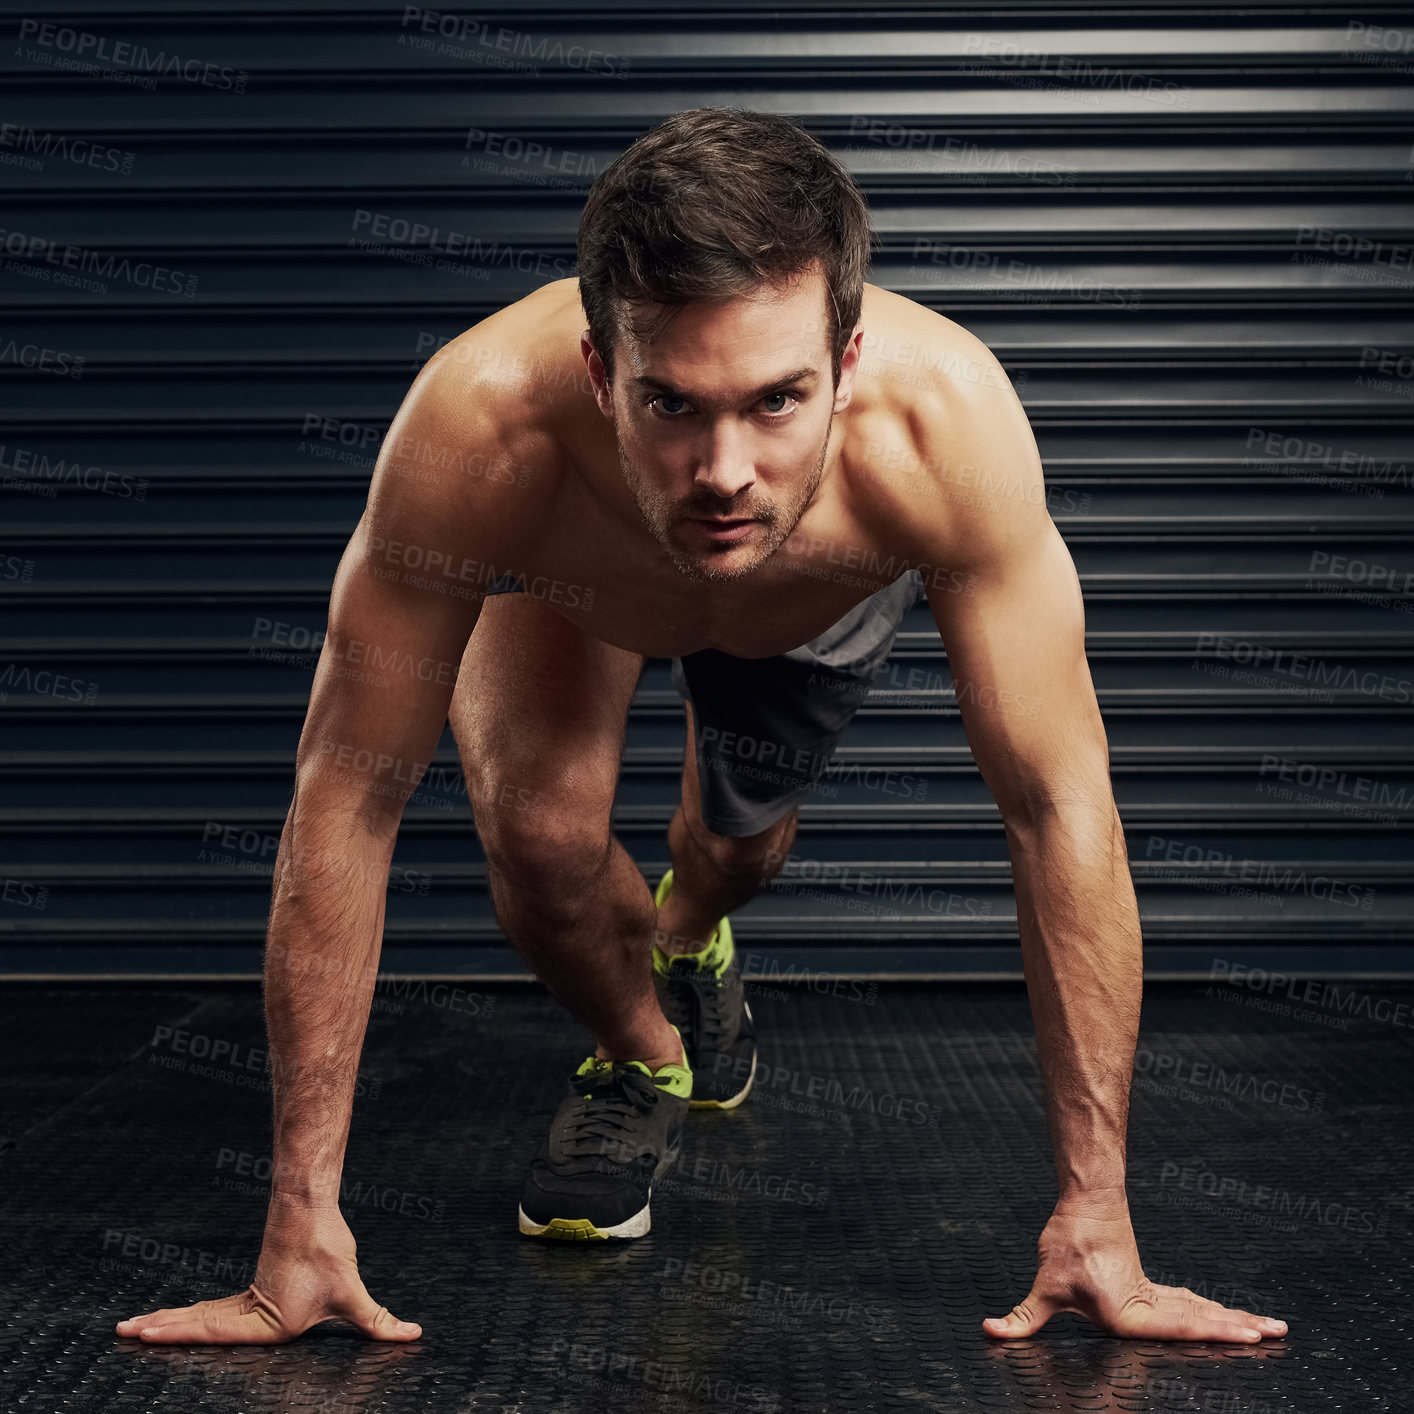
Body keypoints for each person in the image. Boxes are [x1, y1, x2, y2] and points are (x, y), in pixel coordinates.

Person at [115, 106, 1288, 1346]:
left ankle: (692, 937)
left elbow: (1059, 806)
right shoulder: (478, 430)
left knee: (734, 854)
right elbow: (344, 796)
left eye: (778, 401)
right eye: (671, 405)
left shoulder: (944, 429)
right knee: (541, 837)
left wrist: (1096, 1215)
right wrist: (298, 1220)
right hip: (581, 581)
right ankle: (644, 1053)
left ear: (843, 363)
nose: (724, 469)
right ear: (598, 372)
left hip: (809, 597)